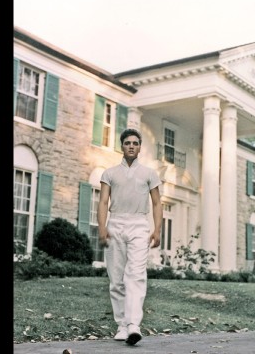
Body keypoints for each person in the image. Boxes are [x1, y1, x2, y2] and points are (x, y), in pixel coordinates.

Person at [97, 128, 163, 345]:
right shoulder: (109, 173)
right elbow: (103, 202)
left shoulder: (149, 174)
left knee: (135, 274)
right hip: (115, 223)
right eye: (127, 143)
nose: (132, 146)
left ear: (140, 147)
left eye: (135, 143)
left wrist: (157, 230)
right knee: (116, 279)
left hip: (139, 225)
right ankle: (122, 325)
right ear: (122, 146)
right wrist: (102, 227)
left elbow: (156, 203)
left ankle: (134, 324)